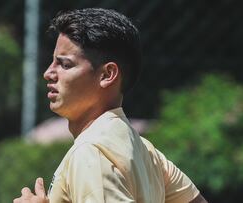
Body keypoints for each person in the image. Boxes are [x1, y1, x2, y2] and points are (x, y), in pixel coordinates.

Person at [13, 8, 207, 203]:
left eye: (65, 65)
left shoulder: (92, 153)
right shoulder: (144, 150)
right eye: (53, 62)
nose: (48, 73)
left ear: (107, 75)